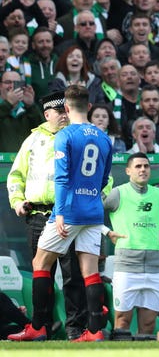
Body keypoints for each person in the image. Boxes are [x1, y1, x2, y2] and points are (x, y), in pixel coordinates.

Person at [8, 85, 115, 342]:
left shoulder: (66, 136)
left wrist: (60, 213)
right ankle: (94, 330)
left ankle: (39, 327)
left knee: (41, 265)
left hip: (64, 212)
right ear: (89, 107)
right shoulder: (102, 137)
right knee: (89, 269)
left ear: (67, 108)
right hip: (90, 212)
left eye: (62, 109)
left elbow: (63, 178)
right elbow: (103, 178)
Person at [103, 152, 159, 337]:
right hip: (126, 268)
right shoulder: (118, 193)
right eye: (138, 166)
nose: (143, 169)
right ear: (128, 171)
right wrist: (106, 232)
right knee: (123, 322)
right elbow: (91, 211)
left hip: (153, 267)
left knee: (149, 325)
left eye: (146, 166)